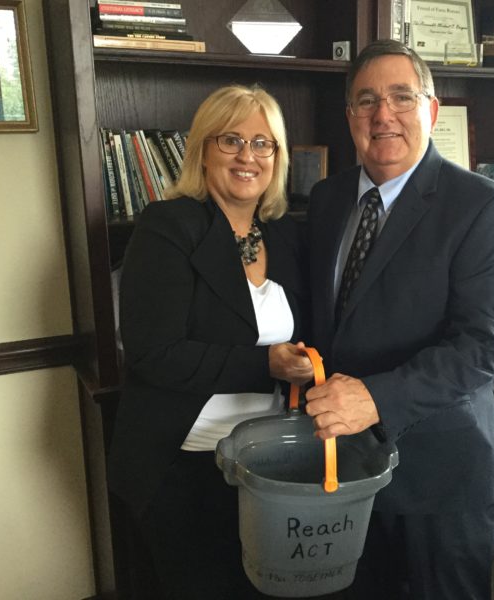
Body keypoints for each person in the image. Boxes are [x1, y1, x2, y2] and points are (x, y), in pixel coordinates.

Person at [305, 39, 494, 599]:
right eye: (366, 100)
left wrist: (375, 399)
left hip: (444, 472)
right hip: (345, 466)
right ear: (350, 116)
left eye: (402, 97)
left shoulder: (484, 205)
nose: (383, 115)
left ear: (431, 109)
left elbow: (483, 344)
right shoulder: (326, 198)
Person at [107, 84, 313, 599]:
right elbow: (155, 353)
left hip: (267, 461)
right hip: (184, 463)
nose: (248, 156)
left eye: (263, 143)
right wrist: (266, 364)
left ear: (277, 158)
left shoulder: (284, 233)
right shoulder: (168, 226)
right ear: (203, 150)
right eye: (231, 140)